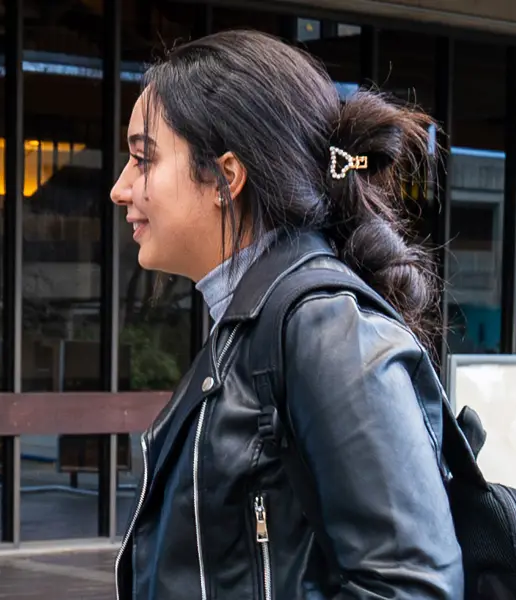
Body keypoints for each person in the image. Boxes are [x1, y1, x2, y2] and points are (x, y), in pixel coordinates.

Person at [110, 30, 462, 599]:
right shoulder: (256, 320)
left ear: (227, 176)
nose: (120, 188)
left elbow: (412, 587)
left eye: (142, 158)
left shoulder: (324, 327)